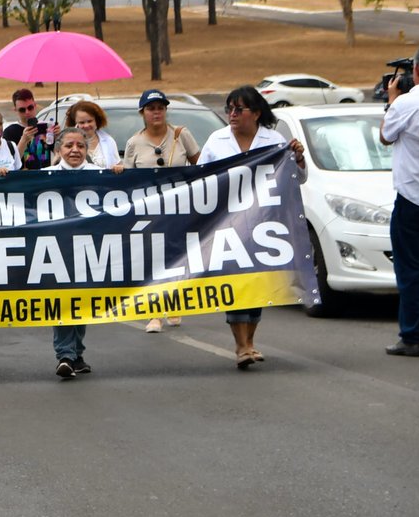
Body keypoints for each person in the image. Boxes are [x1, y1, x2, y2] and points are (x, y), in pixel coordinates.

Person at [197, 86, 306, 369]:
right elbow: (201, 180)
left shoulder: (274, 140)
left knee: (256, 281)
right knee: (234, 281)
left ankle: (250, 340)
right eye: (229, 109)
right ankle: (241, 345)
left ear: (256, 113)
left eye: (239, 109)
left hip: (264, 223)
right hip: (227, 223)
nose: (232, 115)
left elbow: (297, 178)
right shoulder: (216, 140)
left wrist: (299, 158)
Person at [121, 89, 199, 330]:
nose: (156, 112)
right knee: (152, 258)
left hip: (178, 208)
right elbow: (128, 180)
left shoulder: (181, 134)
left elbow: (200, 166)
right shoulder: (134, 143)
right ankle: (154, 312)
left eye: (160, 107)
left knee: (175, 257)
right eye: (151, 108)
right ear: (142, 113)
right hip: (149, 210)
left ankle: (174, 303)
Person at [48, 128, 106, 379]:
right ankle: (65, 355)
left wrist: (119, 174)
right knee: (62, 300)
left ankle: (76, 353)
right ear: (58, 149)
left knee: (80, 301)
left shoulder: (100, 175)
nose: (75, 150)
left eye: (80, 146)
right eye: (69, 145)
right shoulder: (45, 176)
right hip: (55, 250)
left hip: (89, 249)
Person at [379, 53, 419, 356]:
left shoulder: (407, 103)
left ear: (417, 70)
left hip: (413, 199)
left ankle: (413, 335)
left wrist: (393, 98)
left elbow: (385, 136)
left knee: (411, 269)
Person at [1, 89, 54, 170]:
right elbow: (10, 162)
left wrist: (58, 137)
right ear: (15, 110)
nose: (27, 112)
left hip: (44, 176)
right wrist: (24, 140)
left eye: (30, 107)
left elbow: (58, 153)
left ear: (35, 105)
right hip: (23, 179)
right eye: (22, 110)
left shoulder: (45, 127)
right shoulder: (10, 131)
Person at [64, 99, 120, 168]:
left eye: (90, 121)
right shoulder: (67, 144)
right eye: (82, 122)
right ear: (74, 124)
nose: (86, 125)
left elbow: (117, 166)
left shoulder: (109, 141)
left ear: (96, 121)